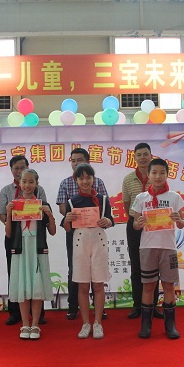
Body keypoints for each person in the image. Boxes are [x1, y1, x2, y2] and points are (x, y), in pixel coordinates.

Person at [132, 159, 184, 339]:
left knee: (169, 285)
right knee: (148, 285)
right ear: (148, 175)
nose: (158, 176)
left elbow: (182, 223)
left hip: (168, 248)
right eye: (154, 172)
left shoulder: (175, 197)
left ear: (167, 174)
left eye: (162, 172)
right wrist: (139, 222)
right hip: (147, 247)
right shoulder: (141, 198)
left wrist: (178, 219)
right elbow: (135, 225)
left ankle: (170, 325)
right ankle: (146, 325)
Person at [56, 147, 108, 321]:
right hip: (75, 233)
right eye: (73, 160)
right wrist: (73, 216)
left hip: (95, 233)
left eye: (80, 160)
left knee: (97, 272)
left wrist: (103, 219)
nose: (76, 163)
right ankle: (73, 306)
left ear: (88, 161)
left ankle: (99, 308)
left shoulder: (99, 182)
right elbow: (63, 209)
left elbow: (105, 208)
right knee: (75, 271)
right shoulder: (65, 183)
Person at [63, 163, 114, 339]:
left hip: (99, 242)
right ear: (76, 180)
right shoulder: (72, 202)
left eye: (88, 177)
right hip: (79, 243)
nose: (85, 181)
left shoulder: (103, 200)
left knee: (98, 284)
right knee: (83, 286)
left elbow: (110, 221)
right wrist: (67, 219)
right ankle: (86, 323)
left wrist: (107, 221)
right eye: (81, 178)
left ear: (93, 179)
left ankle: (98, 322)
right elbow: (68, 229)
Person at [5, 169, 56, 340]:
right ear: (19, 183)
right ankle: (25, 324)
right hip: (21, 249)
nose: (27, 185)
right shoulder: (14, 205)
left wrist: (49, 214)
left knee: (37, 286)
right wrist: (9, 214)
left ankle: (35, 324)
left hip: (37, 248)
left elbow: (53, 231)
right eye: (24, 181)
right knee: (22, 286)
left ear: (36, 184)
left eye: (31, 182)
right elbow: (9, 234)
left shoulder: (42, 205)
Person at [0, 155, 48, 326]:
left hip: (34, 237)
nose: (19, 171)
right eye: (16, 168)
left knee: (36, 274)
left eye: (22, 167)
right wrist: (14, 218)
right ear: (11, 170)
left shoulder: (39, 189)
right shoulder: (6, 190)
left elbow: (43, 210)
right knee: (16, 274)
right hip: (14, 237)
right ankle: (15, 313)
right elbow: (2, 215)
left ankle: (38, 315)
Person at [121, 142, 163, 320]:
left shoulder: (158, 178)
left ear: (151, 156)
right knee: (136, 266)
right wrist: (136, 219)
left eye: (146, 154)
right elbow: (126, 204)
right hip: (135, 226)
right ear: (135, 158)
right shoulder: (128, 179)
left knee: (154, 266)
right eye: (139, 155)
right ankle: (137, 305)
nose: (143, 158)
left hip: (155, 226)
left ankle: (153, 305)